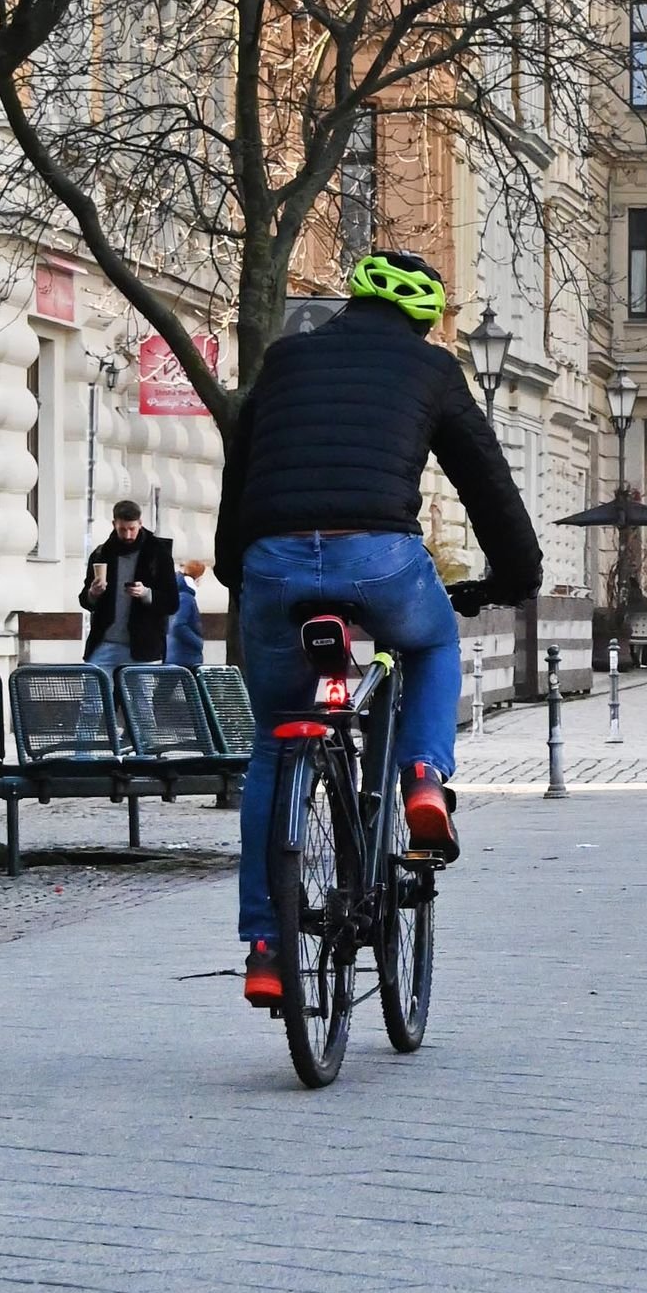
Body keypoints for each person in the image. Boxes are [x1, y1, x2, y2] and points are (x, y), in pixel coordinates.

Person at [217, 249, 541, 1011]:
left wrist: (241, 569)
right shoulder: (431, 371)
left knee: (277, 738)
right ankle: (423, 778)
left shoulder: (286, 359)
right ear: (423, 318)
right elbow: (486, 483)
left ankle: (267, 948)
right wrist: (514, 580)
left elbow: (243, 471)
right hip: (379, 561)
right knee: (428, 644)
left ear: (349, 303)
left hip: (274, 560)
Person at [83, 499, 178, 663]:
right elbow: (85, 600)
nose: (127, 535)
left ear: (140, 523)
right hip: (105, 644)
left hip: (144, 648)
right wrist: (93, 594)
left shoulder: (158, 554)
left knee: (138, 690)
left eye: (132, 529)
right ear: (114, 524)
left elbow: (172, 603)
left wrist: (146, 593)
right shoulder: (101, 554)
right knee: (95, 688)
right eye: (122, 529)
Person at [163, 562, 209, 671]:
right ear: (198, 577)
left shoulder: (178, 594)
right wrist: (198, 642)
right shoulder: (186, 598)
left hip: (175, 655)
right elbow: (178, 625)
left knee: (167, 686)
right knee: (191, 687)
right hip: (185, 657)